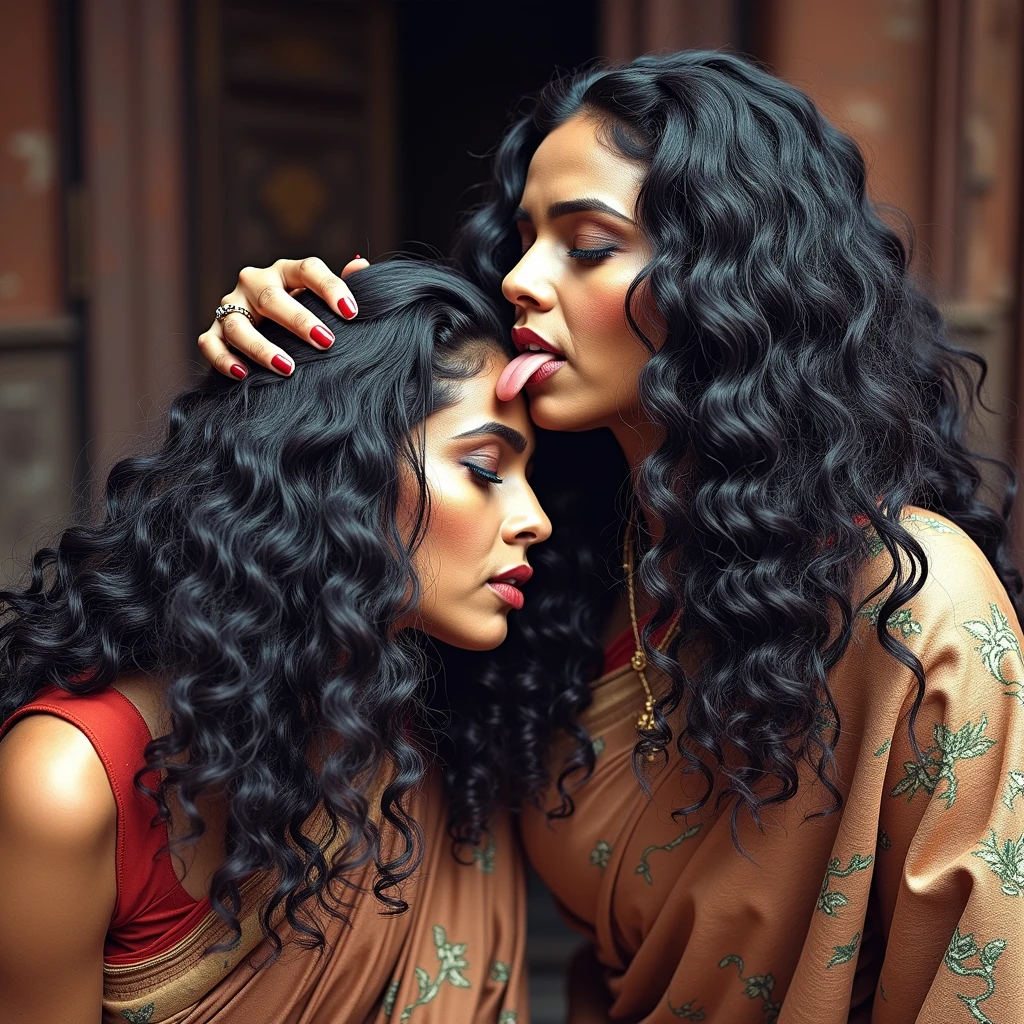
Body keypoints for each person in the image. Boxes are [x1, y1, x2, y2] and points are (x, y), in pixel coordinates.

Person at [199, 52, 1024, 1023]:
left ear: (728, 283)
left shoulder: (914, 612)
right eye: (521, 239)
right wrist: (294, 367)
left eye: (585, 246)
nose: (517, 279)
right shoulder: (546, 570)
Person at [0, 261, 549, 1023]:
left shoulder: (411, 715)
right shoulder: (69, 783)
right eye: (486, 467)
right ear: (337, 473)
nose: (536, 518)